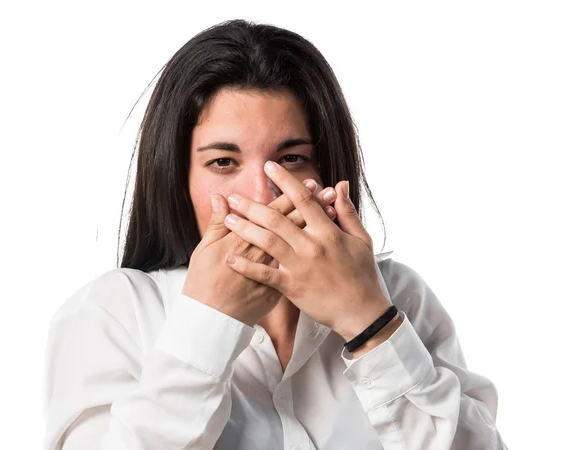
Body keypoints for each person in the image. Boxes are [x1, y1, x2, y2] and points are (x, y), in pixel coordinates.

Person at [42, 19, 507, 450]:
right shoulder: (114, 311)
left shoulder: (400, 295)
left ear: (328, 170)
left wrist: (367, 322)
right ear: (177, 178)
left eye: (290, 160)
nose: (263, 195)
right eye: (223, 163)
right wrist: (210, 322)